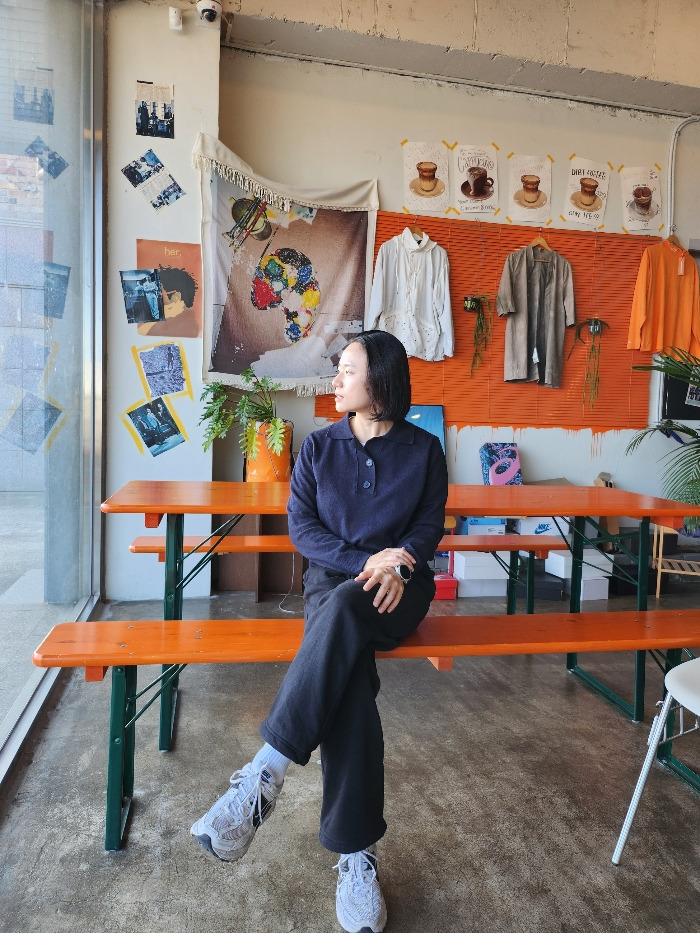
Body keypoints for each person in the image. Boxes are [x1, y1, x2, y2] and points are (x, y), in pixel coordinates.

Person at [190, 330, 448, 932]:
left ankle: (265, 773)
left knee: (345, 615)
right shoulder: (318, 447)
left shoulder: (424, 450)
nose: (336, 380)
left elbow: (429, 525)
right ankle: (356, 856)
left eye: (348, 370)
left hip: (401, 587)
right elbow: (302, 528)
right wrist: (363, 562)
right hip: (336, 585)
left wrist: (399, 562)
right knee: (349, 677)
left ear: (380, 380)